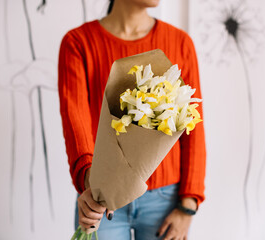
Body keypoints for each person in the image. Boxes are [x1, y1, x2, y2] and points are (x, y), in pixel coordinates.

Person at [58, 0, 206, 239]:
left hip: (166, 200)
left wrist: (188, 205)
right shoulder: (77, 43)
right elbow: (75, 121)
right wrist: (89, 183)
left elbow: (193, 128)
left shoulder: (180, 42)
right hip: (100, 197)